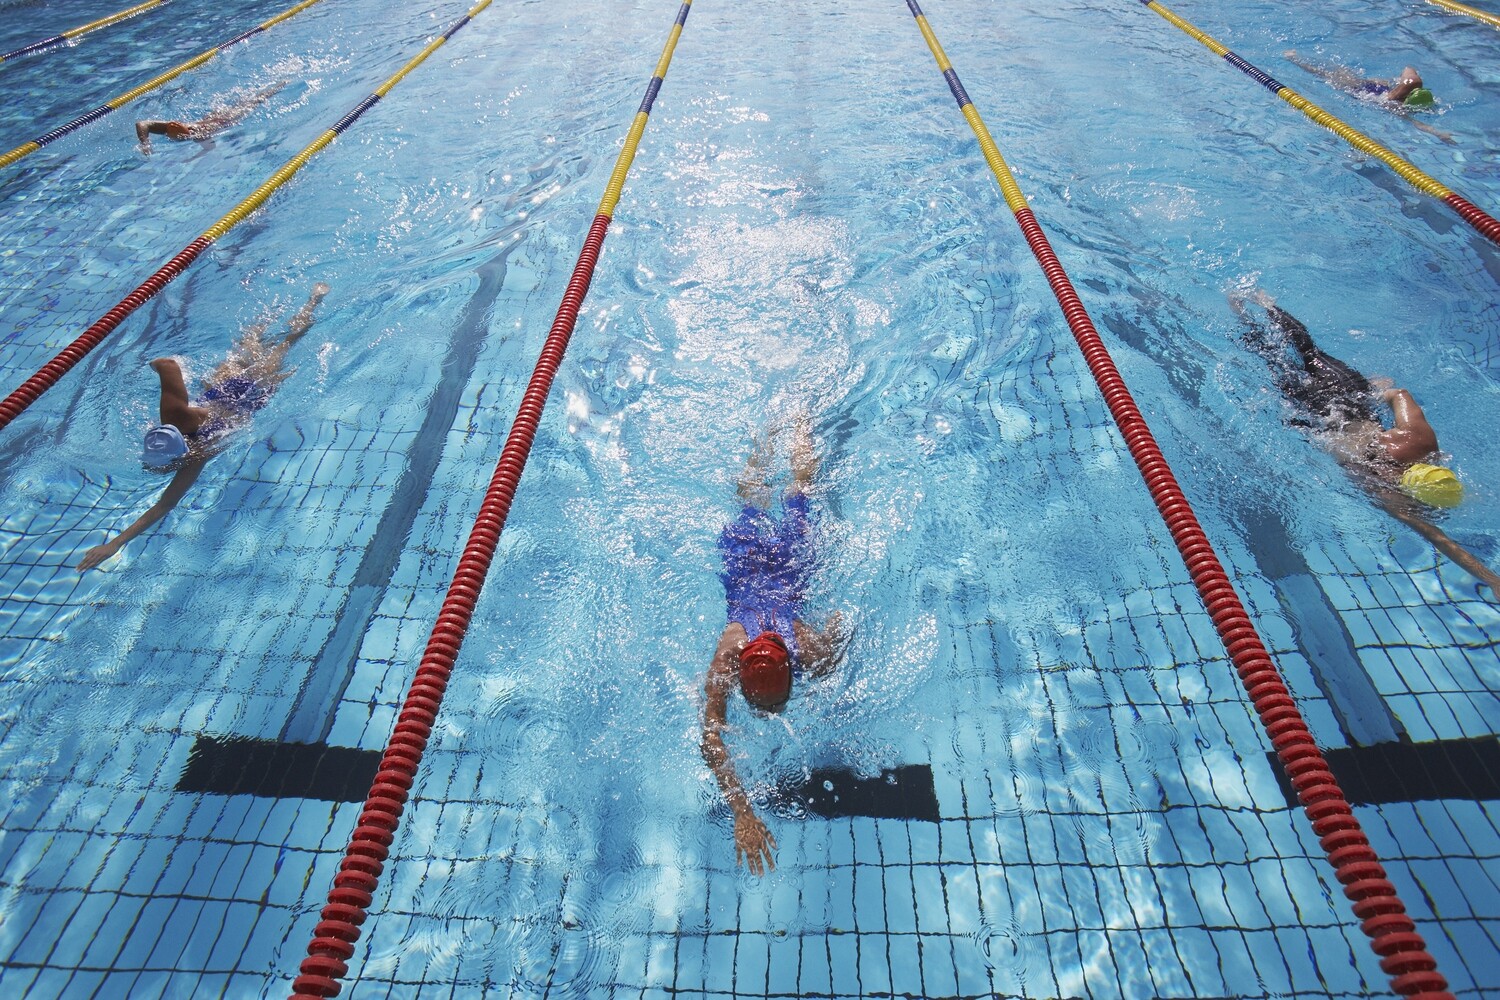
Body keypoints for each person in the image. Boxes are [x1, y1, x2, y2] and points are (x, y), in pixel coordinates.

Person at [1228, 287, 1499, 595]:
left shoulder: (1420, 440)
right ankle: (1240, 314)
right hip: (1315, 413)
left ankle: (1263, 302)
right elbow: (1440, 541)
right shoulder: (1382, 487)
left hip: (1348, 392)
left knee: (1310, 351)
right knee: (1272, 360)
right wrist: (1491, 581)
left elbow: (1400, 394)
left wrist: (1374, 392)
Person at [75, 282, 329, 571]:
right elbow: (164, 505)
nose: (151, 469)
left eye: (159, 464)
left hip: (253, 388)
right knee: (251, 340)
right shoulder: (183, 435)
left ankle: (313, 300)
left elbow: (167, 364)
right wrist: (114, 543)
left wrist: (117, 543)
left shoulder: (188, 437)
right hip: (221, 389)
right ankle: (278, 309)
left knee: (287, 341)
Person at [699, 418, 843, 876]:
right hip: (748, 567)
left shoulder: (797, 650)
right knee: (758, 495)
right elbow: (711, 736)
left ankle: (786, 425)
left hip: (789, 570)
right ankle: (778, 427)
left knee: (800, 488)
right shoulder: (737, 654)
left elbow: (711, 738)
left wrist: (742, 809)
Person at [1283, 51, 1452, 143]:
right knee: (1324, 74)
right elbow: (1416, 123)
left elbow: (1410, 72)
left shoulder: (1399, 95)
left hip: (1372, 86)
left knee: (1327, 73)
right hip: (1361, 88)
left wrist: (1438, 133)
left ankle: (1295, 58)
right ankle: (1295, 59)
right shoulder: (1393, 103)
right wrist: (1438, 133)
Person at [135, 82, 286, 152]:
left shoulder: (197, 134)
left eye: (173, 126)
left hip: (227, 120)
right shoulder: (174, 128)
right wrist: (145, 143)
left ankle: (279, 86)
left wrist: (191, 158)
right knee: (244, 101)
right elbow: (142, 124)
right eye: (171, 127)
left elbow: (210, 147)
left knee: (254, 102)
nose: (172, 125)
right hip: (214, 117)